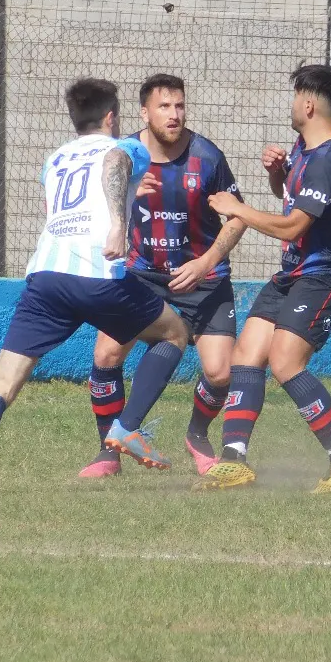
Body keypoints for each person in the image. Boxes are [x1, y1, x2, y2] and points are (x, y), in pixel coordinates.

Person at [0, 78, 190, 495]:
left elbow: (60, 211)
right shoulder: (126, 147)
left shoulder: (54, 160)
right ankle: (126, 428)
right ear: (111, 116)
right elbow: (113, 165)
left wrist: (126, 195)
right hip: (97, 274)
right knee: (175, 333)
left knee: (3, 383)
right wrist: (119, 225)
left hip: (45, 278)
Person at [197, 64, 331, 495]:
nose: (292, 105)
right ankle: (234, 460)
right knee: (246, 355)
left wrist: (236, 209)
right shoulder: (306, 150)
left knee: (286, 361)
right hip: (294, 273)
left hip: (328, 273)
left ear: (308, 104)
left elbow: (294, 226)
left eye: (296, 98)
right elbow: (294, 202)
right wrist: (278, 175)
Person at [79, 74, 247, 479]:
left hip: (203, 279)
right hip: (142, 277)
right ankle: (109, 452)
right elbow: (87, 207)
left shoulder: (206, 157)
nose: (174, 115)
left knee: (221, 373)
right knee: (105, 355)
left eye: (179, 106)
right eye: (164, 107)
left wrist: (206, 263)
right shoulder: (125, 156)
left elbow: (238, 217)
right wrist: (124, 197)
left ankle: (197, 435)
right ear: (144, 112)